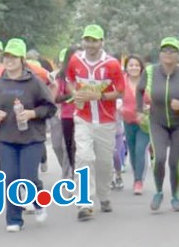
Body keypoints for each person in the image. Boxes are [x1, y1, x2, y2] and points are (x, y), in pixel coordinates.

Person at [0, 38, 57, 232]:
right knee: (11, 178)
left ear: (22, 59)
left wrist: (32, 113)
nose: (10, 60)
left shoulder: (34, 82)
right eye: (7, 56)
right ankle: (14, 219)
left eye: (14, 56)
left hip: (31, 138)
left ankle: (39, 202)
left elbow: (50, 107)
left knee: (28, 177)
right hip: (5, 138)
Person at [66, 24, 125, 220]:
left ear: (102, 42)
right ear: (83, 41)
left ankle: (104, 195)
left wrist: (99, 96)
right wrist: (76, 94)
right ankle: (83, 201)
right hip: (83, 118)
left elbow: (120, 90)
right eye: (87, 40)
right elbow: (69, 80)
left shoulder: (112, 64)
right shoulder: (75, 60)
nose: (90, 45)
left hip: (106, 121)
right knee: (83, 157)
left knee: (103, 162)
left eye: (94, 41)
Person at [136, 37, 179, 212]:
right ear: (159, 54)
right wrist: (138, 110)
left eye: (172, 51)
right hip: (157, 122)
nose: (168, 54)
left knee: (174, 162)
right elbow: (139, 90)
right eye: (165, 51)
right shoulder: (150, 72)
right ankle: (159, 192)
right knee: (159, 158)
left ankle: (175, 196)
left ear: (178, 55)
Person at [121, 54, 149, 195]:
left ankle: (139, 181)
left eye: (137, 65)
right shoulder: (121, 82)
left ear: (141, 67)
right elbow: (115, 98)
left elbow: (155, 98)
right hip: (128, 121)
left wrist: (149, 108)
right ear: (126, 67)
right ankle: (136, 177)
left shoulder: (147, 82)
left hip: (144, 123)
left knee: (140, 150)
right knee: (132, 152)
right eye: (131, 65)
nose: (134, 68)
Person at [54, 46, 80, 179]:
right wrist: (72, 95)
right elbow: (57, 98)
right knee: (70, 148)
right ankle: (74, 174)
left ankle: (83, 174)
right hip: (68, 115)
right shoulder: (62, 76)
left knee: (83, 148)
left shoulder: (87, 74)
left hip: (85, 116)